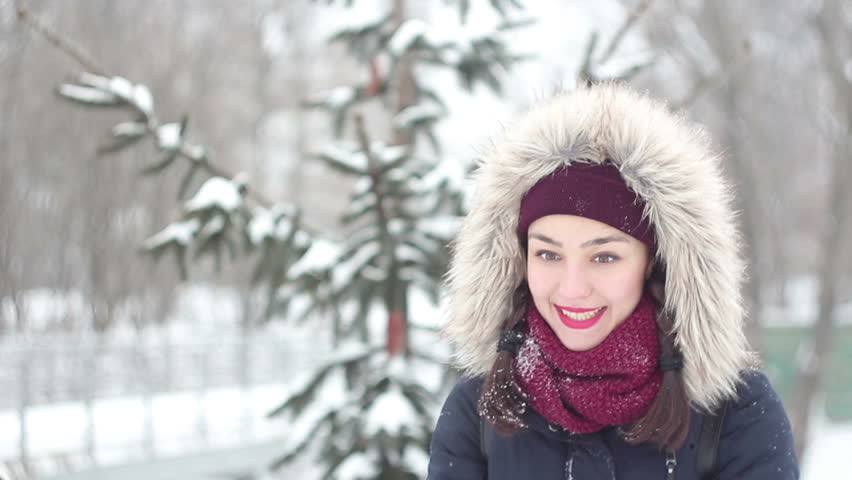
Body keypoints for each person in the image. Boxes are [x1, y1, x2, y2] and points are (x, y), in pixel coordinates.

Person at [428, 83, 799, 479]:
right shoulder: (479, 410)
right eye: (548, 254)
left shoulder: (736, 413)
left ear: (652, 262)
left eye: (604, 257)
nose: (572, 288)